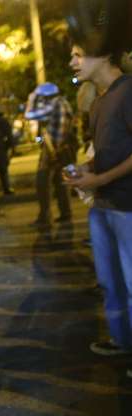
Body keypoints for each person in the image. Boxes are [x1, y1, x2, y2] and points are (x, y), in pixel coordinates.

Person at [66, 42, 132, 356]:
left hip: (127, 206)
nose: (72, 62)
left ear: (106, 54)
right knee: (110, 281)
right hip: (103, 206)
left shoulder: (129, 91)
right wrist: (84, 169)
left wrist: (100, 179)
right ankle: (121, 341)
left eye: (78, 55)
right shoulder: (98, 103)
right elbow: (104, 154)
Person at [25, 82, 77, 226]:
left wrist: (31, 99)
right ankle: (65, 213)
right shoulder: (62, 102)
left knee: (42, 182)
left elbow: (29, 114)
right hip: (63, 146)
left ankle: (45, 217)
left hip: (55, 147)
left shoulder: (54, 104)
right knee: (60, 181)